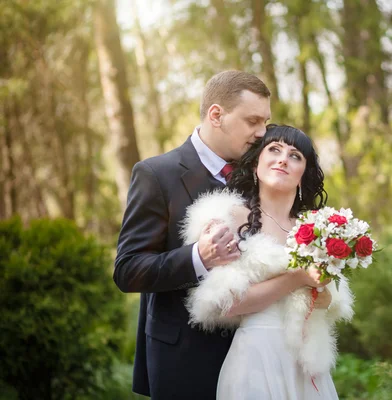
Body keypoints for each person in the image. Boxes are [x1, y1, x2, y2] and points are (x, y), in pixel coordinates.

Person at [114, 70, 274, 399]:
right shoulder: (156, 175)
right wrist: (198, 258)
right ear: (216, 115)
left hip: (259, 354)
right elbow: (128, 270)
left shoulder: (264, 172)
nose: (262, 134)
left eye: (265, 123)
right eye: (252, 121)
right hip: (186, 361)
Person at [181, 125, 354, 400]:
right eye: (274, 150)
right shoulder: (229, 219)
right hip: (256, 358)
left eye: (295, 155)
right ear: (255, 164)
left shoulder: (318, 230)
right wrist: (297, 278)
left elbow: (333, 301)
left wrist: (324, 298)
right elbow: (226, 304)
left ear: (303, 175)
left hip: (306, 363)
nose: (283, 159)